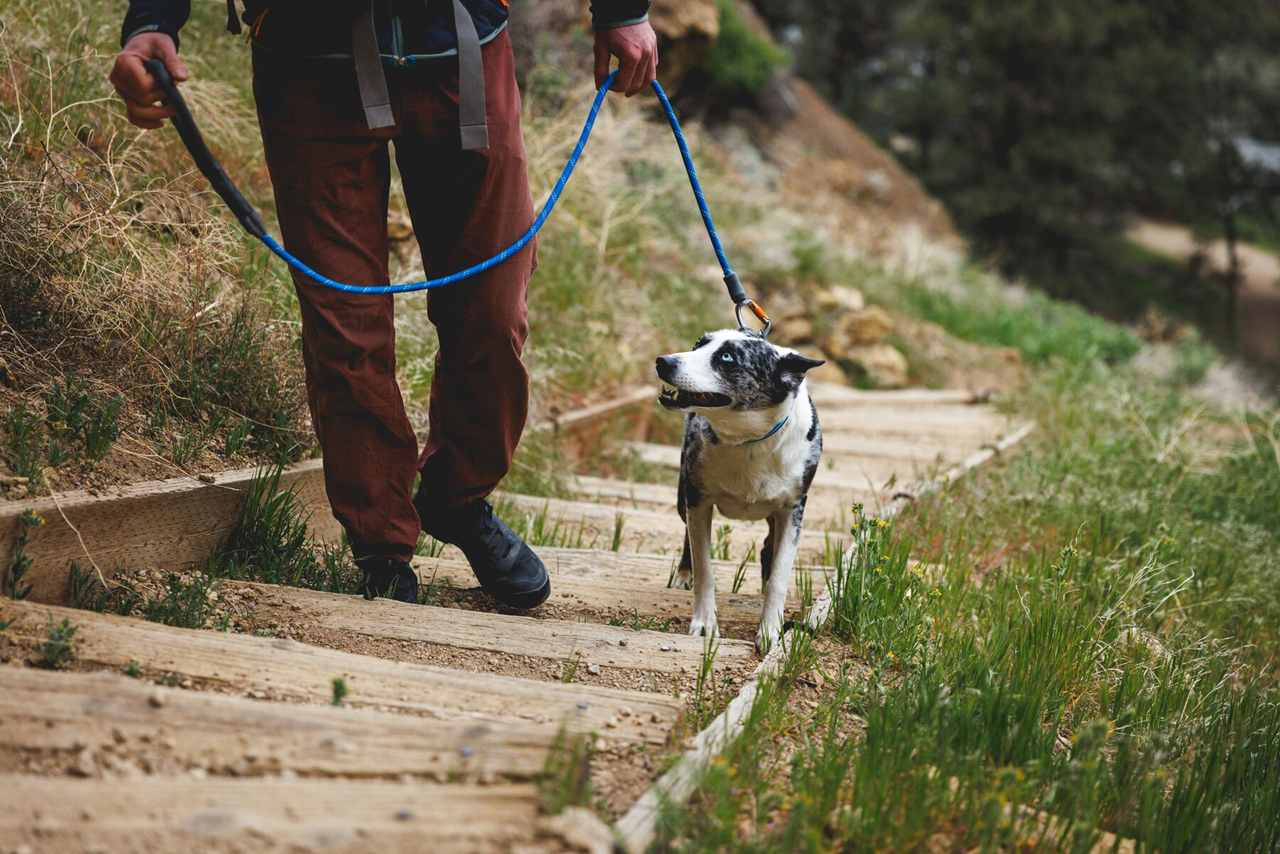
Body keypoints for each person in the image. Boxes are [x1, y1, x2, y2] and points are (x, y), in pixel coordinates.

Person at [110, 1, 658, 608]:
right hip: (307, 55)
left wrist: (622, 8)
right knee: (347, 328)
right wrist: (153, 20)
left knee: (493, 310)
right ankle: (380, 544)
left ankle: (457, 501)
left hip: (462, 45)